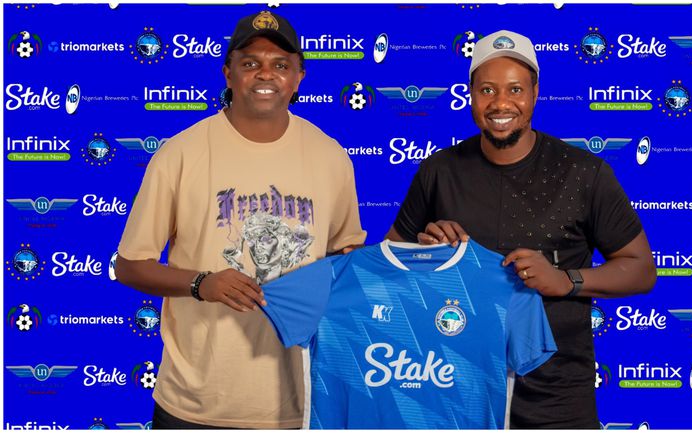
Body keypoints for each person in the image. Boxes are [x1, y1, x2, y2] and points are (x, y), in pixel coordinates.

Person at [386, 30, 656, 429]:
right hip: (453, 387)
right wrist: (424, 254)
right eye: (487, 90)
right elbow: (389, 266)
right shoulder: (438, 171)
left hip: (557, 396)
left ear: (534, 93)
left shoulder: (583, 173)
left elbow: (641, 269)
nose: (500, 103)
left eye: (515, 89)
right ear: (470, 94)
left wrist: (566, 281)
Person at [115, 11, 366, 429]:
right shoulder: (180, 154)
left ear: (299, 76)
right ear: (228, 73)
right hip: (195, 403)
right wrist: (201, 284)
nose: (265, 74)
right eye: (250, 63)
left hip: (298, 400)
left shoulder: (330, 156)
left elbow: (346, 255)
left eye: (280, 65)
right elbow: (129, 265)